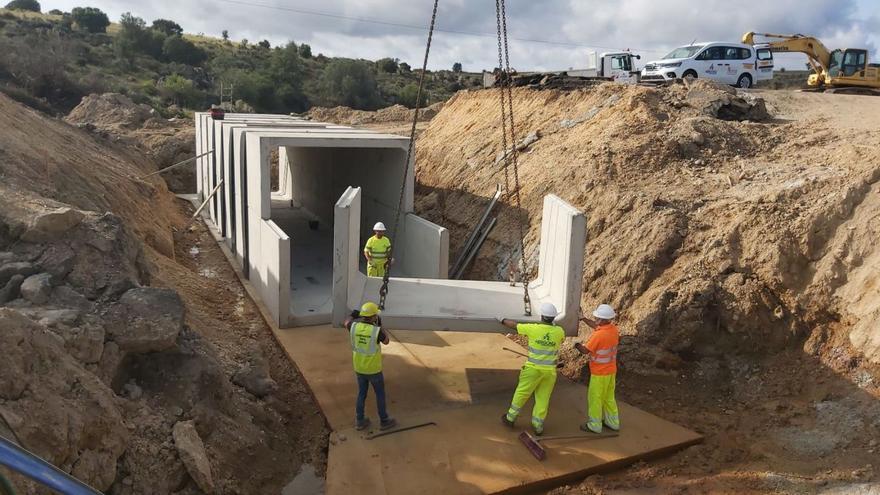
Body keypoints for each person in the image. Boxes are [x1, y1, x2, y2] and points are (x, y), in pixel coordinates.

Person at [497, 303, 565, 435]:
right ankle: (538, 425)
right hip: (549, 372)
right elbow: (558, 339)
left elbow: (514, 325)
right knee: (543, 398)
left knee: (522, 393)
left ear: (541, 316)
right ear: (553, 318)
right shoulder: (560, 331)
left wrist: (502, 319)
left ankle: (510, 418)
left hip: (533, 370)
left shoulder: (533, 329)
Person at [344, 301, 397, 431]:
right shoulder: (376, 331)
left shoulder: (354, 326)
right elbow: (387, 341)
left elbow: (346, 322)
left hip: (359, 368)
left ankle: (360, 421)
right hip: (374, 370)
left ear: (362, 315)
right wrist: (380, 325)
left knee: (362, 393)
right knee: (379, 394)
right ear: (374, 317)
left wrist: (352, 315)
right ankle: (384, 421)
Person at [576, 303, 620, 433]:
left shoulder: (599, 335)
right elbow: (596, 327)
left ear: (602, 319)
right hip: (611, 372)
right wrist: (583, 319)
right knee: (608, 397)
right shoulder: (613, 330)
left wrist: (577, 344)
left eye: (597, 318)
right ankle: (613, 423)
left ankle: (594, 425)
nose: (595, 320)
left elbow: (585, 350)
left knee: (595, 398)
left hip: (599, 373)